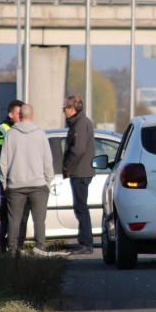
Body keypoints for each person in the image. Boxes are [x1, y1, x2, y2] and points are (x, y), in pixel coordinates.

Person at [0, 104, 54, 256]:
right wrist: (48, 182)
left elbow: (4, 161)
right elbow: (48, 161)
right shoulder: (40, 134)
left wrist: (4, 182)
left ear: (20, 116)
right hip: (38, 184)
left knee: (14, 220)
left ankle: (12, 250)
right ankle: (40, 248)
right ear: (32, 116)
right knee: (39, 220)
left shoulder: (10, 134)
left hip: (15, 184)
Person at [0, 99, 26, 253]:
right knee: (6, 213)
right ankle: (4, 246)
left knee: (22, 214)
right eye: (18, 114)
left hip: (21, 177)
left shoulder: (24, 129)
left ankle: (18, 246)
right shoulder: (1, 131)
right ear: (11, 115)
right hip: (7, 177)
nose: (21, 117)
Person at [62, 95, 95, 255]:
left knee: (81, 208)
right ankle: (84, 242)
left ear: (72, 109)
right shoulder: (78, 122)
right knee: (80, 208)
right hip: (79, 171)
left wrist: (67, 166)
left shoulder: (81, 124)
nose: (64, 111)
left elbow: (78, 149)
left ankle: (86, 244)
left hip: (80, 172)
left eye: (65, 108)